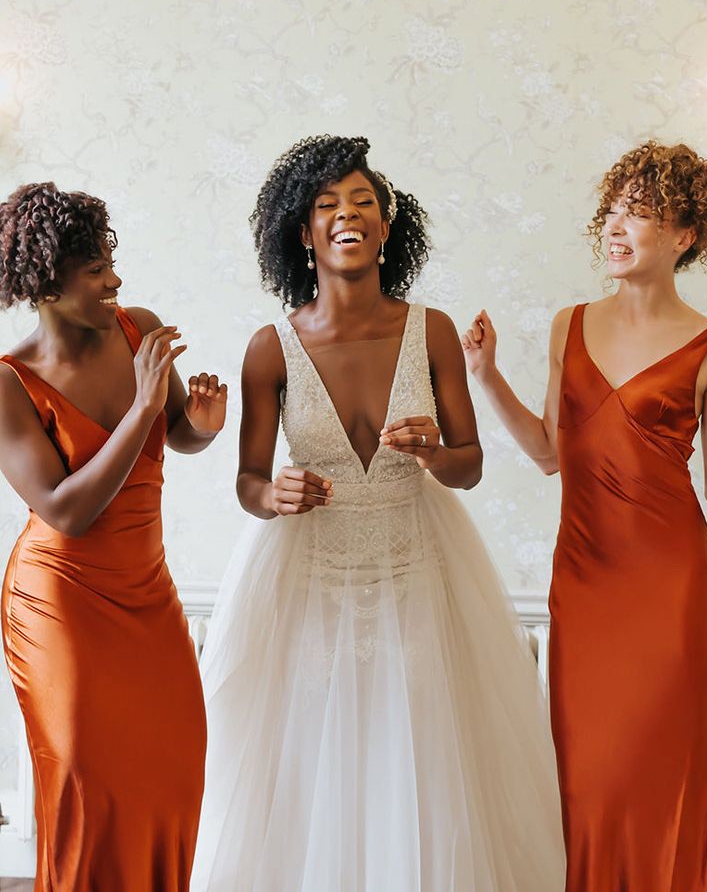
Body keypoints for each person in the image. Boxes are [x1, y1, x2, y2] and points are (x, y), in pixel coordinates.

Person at [191, 136, 565, 892]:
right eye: (327, 205)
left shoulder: (430, 331)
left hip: (418, 569)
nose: (347, 215)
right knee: (304, 759)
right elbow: (247, 483)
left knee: (424, 753)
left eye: (364, 202)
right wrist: (277, 494)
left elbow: (470, 466)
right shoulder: (270, 349)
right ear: (302, 233)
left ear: (389, 228)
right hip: (307, 580)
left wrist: (432, 451)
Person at [462, 142, 707, 892]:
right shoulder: (566, 324)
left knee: (666, 780)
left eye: (640, 212)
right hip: (585, 588)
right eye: (613, 209)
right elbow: (549, 453)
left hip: (670, 595)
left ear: (685, 236)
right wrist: (486, 379)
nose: (616, 225)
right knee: (589, 781)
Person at [0, 182, 227, 891]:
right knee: (86, 792)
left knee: (173, 770)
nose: (114, 278)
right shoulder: (5, 386)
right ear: (46, 281)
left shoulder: (138, 328)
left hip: (148, 594)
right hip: (61, 605)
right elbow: (66, 509)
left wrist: (197, 425)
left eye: (111, 258)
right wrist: (144, 404)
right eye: (94, 268)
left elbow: (171, 437)